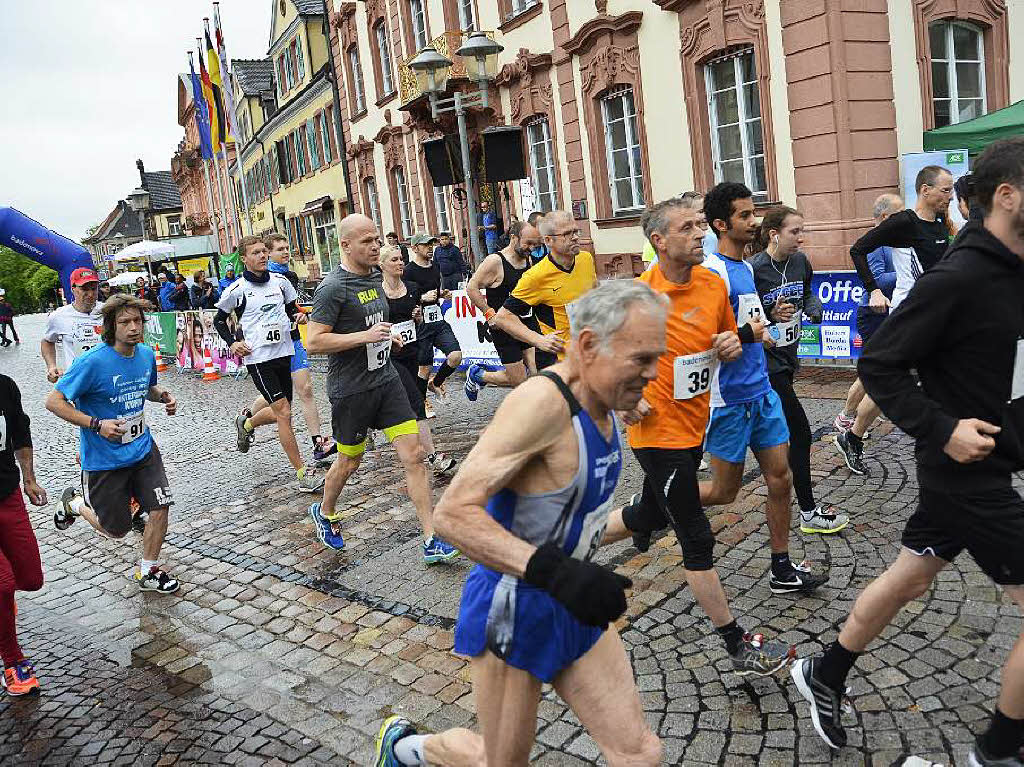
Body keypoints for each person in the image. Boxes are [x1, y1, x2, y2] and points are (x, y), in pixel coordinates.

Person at [791, 137, 1024, 766]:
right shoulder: (961, 275)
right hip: (968, 472)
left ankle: (826, 671)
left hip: (993, 463)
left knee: (911, 577)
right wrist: (941, 428)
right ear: (1008, 196)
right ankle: (998, 753)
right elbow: (881, 363)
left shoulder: (1012, 268)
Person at [373, 280, 666, 767]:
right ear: (589, 345)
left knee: (640, 754)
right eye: (641, 359)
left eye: (657, 357)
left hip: (571, 600)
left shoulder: (609, 401)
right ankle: (408, 750)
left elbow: (566, 517)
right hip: (513, 606)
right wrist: (557, 573)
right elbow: (453, 513)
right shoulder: (542, 405)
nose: (652, 374)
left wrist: (640, 517)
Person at [600, 196, 797, 677]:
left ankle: (563, 544)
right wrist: (626, 397)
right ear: (659, 242)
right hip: (656, 435)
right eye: (687, 228)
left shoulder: (713, 284)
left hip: (696, 426)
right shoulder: (638, 298)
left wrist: (732, 343)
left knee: (647, 513)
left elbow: (725, 341)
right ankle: (736, 644)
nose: (699, 234)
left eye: (698, 226)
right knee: (696, 536)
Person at [305, 214, 458, 563]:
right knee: (350, 461)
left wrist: (390, 338)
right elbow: (313, 342)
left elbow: (377, 322)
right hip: (352, 390)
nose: (375, 246)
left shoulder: (375, 276)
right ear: (345, 245)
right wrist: (366, 337)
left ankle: (431, 538)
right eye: (366, 241)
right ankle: (325, 511)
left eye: (376, 239)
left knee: (415, 455)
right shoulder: (332, 288)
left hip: (386, 380)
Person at [699, 182, 828, 595]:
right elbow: (704, 339)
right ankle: (657, 504)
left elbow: (750, 324)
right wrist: (749, 332)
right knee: (723, 492)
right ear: (721, 224)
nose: (753, 221)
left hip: (762, 390)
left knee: (780, 478)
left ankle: (781, 567)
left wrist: (769, 319)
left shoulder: (747, 269)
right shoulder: (712, 272)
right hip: (728, 398)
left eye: (753, 212)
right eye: (743, 216)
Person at [47, 295, 180, 593]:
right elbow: (54, 402)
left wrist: (163, 397)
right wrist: (97, 424)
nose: (133, 328)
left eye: (137, 321)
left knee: (160, 506)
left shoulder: (145, 355)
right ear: (110, 326)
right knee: (116, 530)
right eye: (124, 322)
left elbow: (146, 387)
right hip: (105, 459)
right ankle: (75, 504)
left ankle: (148, 571)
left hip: (143, 449)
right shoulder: (91, 363)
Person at [836, 167, 954, 476]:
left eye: (952, 189)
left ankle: (855, 435)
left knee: (920, 379)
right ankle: (853, 435)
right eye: (945, 190)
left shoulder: (941, 222)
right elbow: (858, 249)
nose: (950, 195)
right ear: (925, 190)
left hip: (936, 316)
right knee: (893, 381)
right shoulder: (904, 222)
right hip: (910, 316)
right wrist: (873, 289)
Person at [750, 206, 850, 534]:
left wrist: (814, 309)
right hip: (767, 364)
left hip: (789, 359)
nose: (801, 237)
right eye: (795, 232)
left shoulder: (800, 261)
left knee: (756, 443)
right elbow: (744, 316)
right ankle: (808, 512)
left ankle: (657, 500)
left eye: (802, 231)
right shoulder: (755, 269)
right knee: (801, 433)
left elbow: (807, 290)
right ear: (773, 234)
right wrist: (769, 311)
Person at [214, 236, 323, 493]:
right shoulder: (237, 290)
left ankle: (247, 423)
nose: (262, 256)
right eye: (256, 253)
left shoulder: (281, 283)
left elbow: (291, 309)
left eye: (264, 252)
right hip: (259, 359)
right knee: (284, 413)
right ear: (244, 258)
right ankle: (302, 473)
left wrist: (297, 315)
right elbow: (219, 320)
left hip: (283, 353)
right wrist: (232, 343)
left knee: (280, 413)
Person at [242, 233, 333, 465]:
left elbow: (294, 308)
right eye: (279, 249)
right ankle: (248, 421)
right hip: (269, 349)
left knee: (307, 389)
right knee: (277, 404)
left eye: (287, 248)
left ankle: (317, 444)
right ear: (267, 252)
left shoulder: (289, 277)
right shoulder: (259, 278)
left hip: (292, 341)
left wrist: (302, 315)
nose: (285, 252)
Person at [379, 245, 455, 477]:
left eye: (401, 259)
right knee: (416, 400)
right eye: (394, 260)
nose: (400, 263)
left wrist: (418, 318)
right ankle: (433, 457)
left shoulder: (412, 288)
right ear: (382, 265)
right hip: (390, 356)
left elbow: (418, 322)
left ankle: (372, 425)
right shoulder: (376, 292)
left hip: (412, 351)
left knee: (404, 402)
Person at [492, 210, 598, 371]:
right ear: (548, 240)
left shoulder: (586, 259)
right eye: (567, 234)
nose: (575, 237)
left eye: (576, 231)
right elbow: (502, 317)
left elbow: (594, 293)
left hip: (589, 354)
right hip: (558, 362)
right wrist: (538, 340)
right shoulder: (536, 276)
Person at [0, 374, 47, 695]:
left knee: (30, 578)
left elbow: (20, 431)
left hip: (7, 494)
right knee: (2, 585)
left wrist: (29, 479)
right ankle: (12, 661)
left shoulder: (4, 386)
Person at [463, 220, 542, 399]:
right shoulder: (495, 261)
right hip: (504, 327)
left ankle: (535, 414)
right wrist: (489, 312)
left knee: (537, 372)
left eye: (534, 245)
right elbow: (472, 287)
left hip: (527, 323)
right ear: (514, 238)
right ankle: (478, 375)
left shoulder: (528, 259)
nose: (531, 248)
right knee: (519, 380)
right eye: (528, 243)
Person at [403, 233, 462, 407]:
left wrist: (443, 294)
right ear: (414, 248)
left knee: (455, 356)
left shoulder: (435, 266)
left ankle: (435, 383)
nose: (430, 248)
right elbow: (405, 299)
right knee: (424, 368)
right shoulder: (408, 271)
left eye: (431, 244)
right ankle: (422, 403)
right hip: (421, 324)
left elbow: (435, 291)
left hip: (438, 320)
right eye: (425, 245)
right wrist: (421, 298)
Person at [41, 267, 104, 382]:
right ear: (73, 289)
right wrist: (51, 366)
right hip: (78, 381)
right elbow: (47, 341)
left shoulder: (109, 311)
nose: (90, 294)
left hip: (107, 378)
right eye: (85, 289)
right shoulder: (58, 316)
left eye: (94, 289)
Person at [640, 191, 718, 268]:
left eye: (706, 211)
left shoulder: (714, 240)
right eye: (700, 212)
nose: (706, 215)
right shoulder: (669, 245)